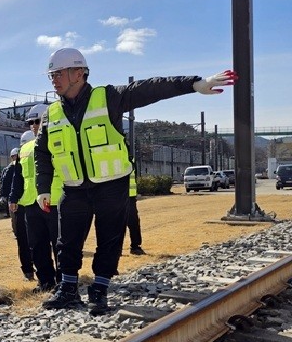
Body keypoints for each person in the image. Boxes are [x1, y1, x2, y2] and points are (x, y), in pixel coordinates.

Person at [34, 47, 236, 315]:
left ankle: (99, 290)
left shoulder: (108, 97)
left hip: (111, 185)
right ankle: (67, 289)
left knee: (110, 239)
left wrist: (194, 83)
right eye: (51, 75)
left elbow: (150, 89)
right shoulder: (51, 114)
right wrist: (43, 188)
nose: (54, 80)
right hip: (74, 188)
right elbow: (42, 152)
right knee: (67, 241)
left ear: (79, 73)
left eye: (58, 73)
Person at [10, 104, 62, 292]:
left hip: (55, 200)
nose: (33, 125)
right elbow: (18, 176)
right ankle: (45, 281)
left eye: (37, 121)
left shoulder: (58, 141)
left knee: (59, 244)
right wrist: (13, 197)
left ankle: (63, 281)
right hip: (31, 203)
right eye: (30, 122)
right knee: (37, 244)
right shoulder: (25, 148)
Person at [8, 130, 36, 282]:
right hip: (32, 203)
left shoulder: (22, 156)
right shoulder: (40, 152)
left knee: (26, 240)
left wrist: (13, 199)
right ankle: (30, 270)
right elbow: (17, 180)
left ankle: (29, 271)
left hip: (25, 203)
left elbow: (16, 181)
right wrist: (13, 199)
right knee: (33, 240)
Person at [126, 172, 145, 255]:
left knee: (134, 223)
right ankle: (116, 249)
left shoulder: (131, 160)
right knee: (117, 225)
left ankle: (135, 246)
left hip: (131, 198)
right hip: (117, 197)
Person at [0, 148, 19, 220]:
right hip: (11, 194)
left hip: (21, 195)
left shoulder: (23, 166)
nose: (15, 158)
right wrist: (3, 195)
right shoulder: (7, 169)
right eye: (14, 156)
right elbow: (3, 182)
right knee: (14, 217)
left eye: (16, 156)